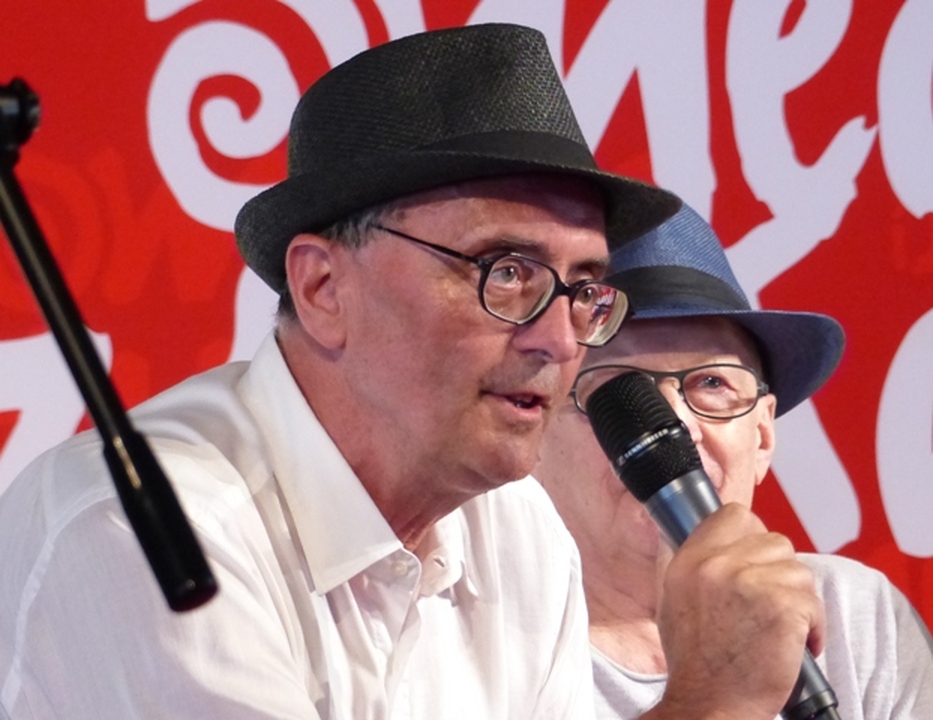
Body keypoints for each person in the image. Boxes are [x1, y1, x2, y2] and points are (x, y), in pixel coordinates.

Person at [0, 24, 680, 719]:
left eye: (583, 291)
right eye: (506, 273)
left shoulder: (519, 531)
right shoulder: (145, 522)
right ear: (323, 289)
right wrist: (711, 699)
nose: (560, 340)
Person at [535, 204, 933, 720]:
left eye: (712, 383)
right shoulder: (483, 643)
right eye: (622, 393)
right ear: (536, 441)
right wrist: (711, 699)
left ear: (763, 436)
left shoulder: (856, 613)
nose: (676, 424)